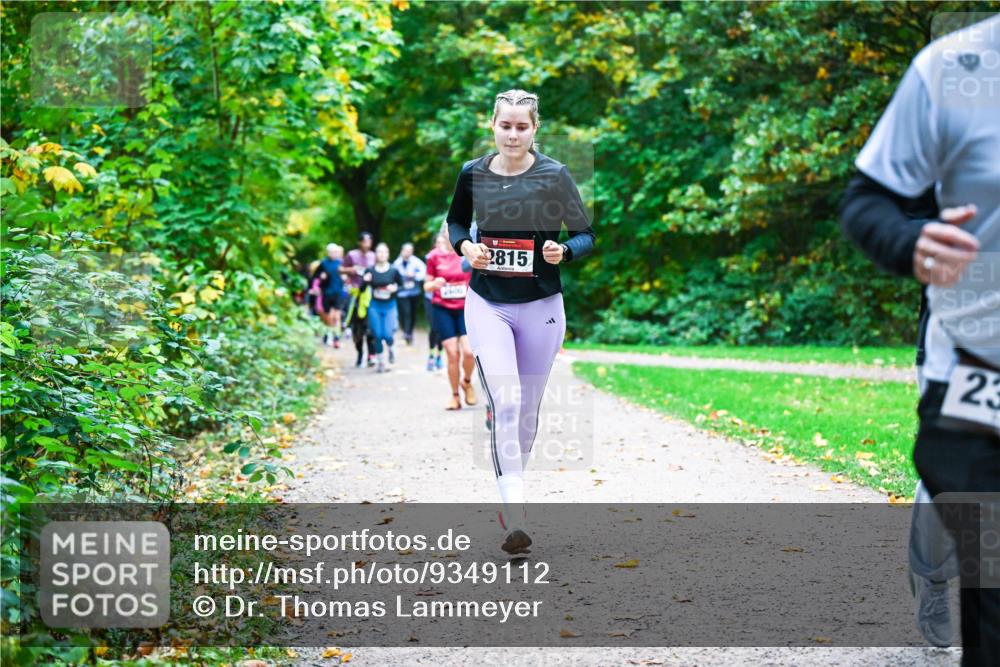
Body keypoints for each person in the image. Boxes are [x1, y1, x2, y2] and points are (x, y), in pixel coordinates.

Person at [839, 14, 999, 665]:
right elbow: (868, 200)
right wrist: (912, 241)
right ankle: (934, 573)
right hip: (975, 360)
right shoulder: (954, 68)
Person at [446, 89, 595, 555]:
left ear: (535, 129)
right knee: (506, 402)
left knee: (527, 410)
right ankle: (516, 512)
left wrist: (564, 250)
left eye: (522, 126)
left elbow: (586, 233)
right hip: (487, 301)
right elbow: (455, 225)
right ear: (492, 124)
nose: (513, 134)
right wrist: (466, 248)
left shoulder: (555, 175)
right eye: (505, 125)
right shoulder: (473, 173)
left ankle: (514, 487)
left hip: (542, 304)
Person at [425, 226, 476, 410]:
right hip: (442, 309)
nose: (451, 231)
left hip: (465, 308)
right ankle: (455, 396)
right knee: (452, 354)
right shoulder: (434, 257)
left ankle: (467, 382)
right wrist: (434, 284)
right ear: (443, 233)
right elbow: (426, 286)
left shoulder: (468, 252)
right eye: (448, 228)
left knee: (470, 352)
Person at [363, 242, 404, 373]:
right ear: (375, 254)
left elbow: (401, 286)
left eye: (384, 252)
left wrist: (395, 288)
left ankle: (391, 348)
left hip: (390, 306)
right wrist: (365, 281)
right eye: (379, 252)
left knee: (388, 335)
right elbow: (362, 289)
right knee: (377, 335)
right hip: (375, 305)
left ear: (388, 254)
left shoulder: (393, 270)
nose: (382, 254)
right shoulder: (370, 270)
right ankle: (381, 363)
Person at [340, 232, 377, 368]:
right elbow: (340, 269)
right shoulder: (351, 255)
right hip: (355, 294)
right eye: (365, 241)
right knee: (358, 328)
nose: (367, 244)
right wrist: (351, 270)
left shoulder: (374, 256)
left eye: (369, 241)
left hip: (370, 295)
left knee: (370, 327)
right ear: (360, 242)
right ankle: (360, 353)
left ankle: (371, 355)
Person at [392, 242, 426, 346]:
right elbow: (392, 276)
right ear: (402, 251)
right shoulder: (396, 263)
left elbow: (424, 273)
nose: (408, 253)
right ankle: (406, 333)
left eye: (410, 251)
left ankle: (409, 333)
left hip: (414, 292)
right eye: (406, 251)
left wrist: (414, 275)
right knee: (405, 313)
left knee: (412, 313)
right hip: (402, 293)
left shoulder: (417, 262)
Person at [315, 243, 345, 347]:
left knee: (336, 315)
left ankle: (336, 337)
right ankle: (328, 334)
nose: (333, 253)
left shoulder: (341, 263)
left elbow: (347, 275)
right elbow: (315, 275)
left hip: (338, 292)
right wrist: (321, 276)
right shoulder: (323, 263)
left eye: (335, 251)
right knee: (328, 316)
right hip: (326, 292)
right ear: (328, 252)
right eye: (331, 251)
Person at [424, 237, 447, 372]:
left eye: (442, 243)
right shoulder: (430, 257)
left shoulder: (451, 258)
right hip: (431, 299)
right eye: (438, 243)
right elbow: (425, 280)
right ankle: (431, 354)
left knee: (441, 329)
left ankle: (439, 355)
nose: (440, 245)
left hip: (445, 300)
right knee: (434, 328)